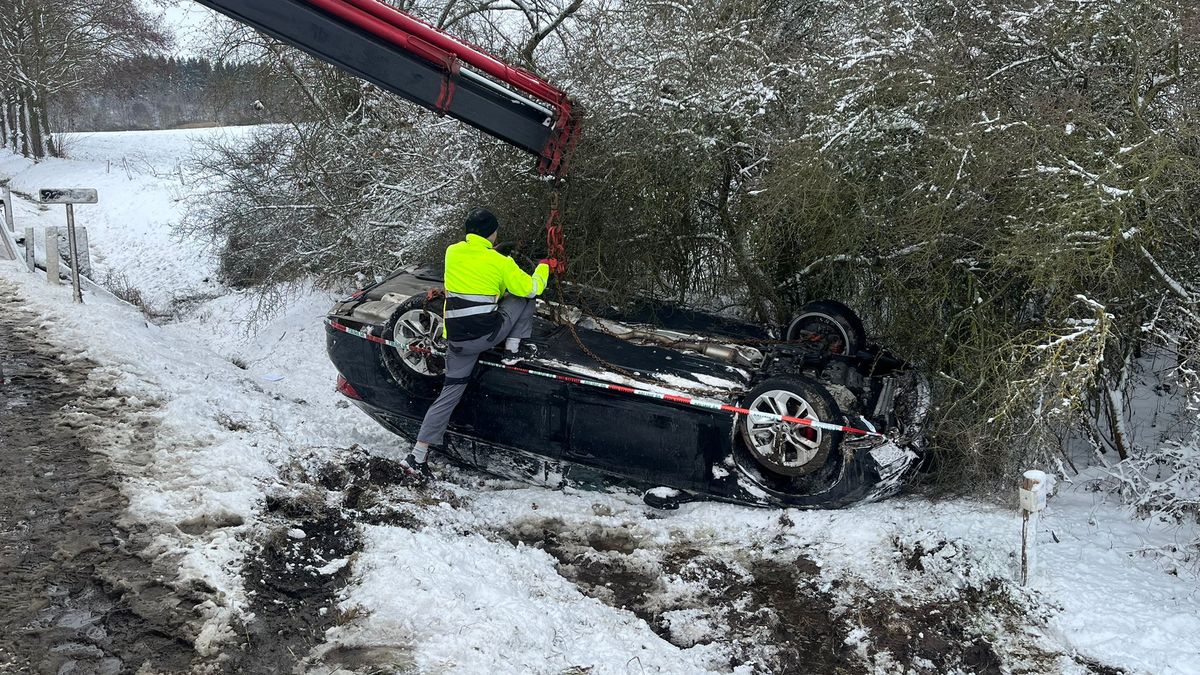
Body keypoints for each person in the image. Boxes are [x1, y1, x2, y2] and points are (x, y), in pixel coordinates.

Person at [403, 207, 562, 478]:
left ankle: (417, 455)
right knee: (523, 297)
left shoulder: (452, 252)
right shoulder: (500, 262)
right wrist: (544, 268)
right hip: (485, 337)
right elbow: (531, 288)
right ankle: (513, 350)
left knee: (448, 395)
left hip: (456, 340)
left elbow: (476, 273)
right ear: (493, 233)